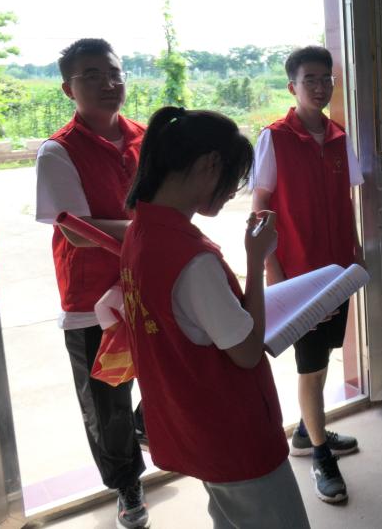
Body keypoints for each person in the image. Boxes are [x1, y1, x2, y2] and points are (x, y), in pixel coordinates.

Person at [121, 107, 309, 529]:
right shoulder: (192, 259)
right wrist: (256, 259)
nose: (230, 195)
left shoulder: (140, 233)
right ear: (209, 165)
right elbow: (246, 352)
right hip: (234, 432)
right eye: (232, 181)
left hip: (195, 423)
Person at [34, 38, 148, 529]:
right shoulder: (58, 151)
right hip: (90, 297)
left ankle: (146, 428)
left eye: (115, 73)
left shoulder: (148, 138)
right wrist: (153, 228)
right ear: (68, 89)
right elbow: (77, 232)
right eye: (93, 75)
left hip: (148, 284)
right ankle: (127, 485)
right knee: (107, 403)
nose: (109, 83)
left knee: (167, 370)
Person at [250, 45, 363, 504]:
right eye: (310, 79)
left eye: (326, 79)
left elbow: (346, 201)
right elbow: (261, 207)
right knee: (311, 367)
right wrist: (272, 270)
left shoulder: (338, 137)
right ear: (291, 86)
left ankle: (305, 431)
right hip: (298, 275)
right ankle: (319, 455)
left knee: (324, 354)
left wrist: (356, 254)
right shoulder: (274, 139)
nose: (320, 87)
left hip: (337, 271)